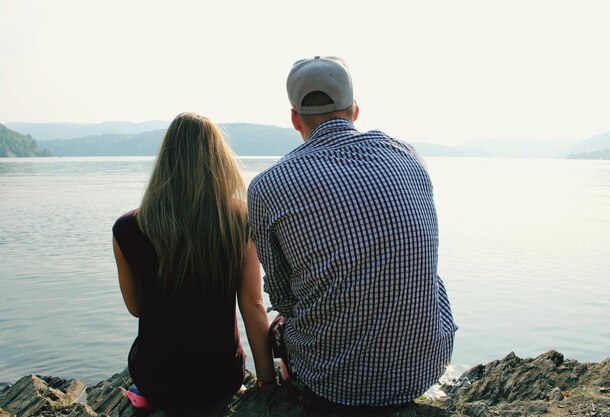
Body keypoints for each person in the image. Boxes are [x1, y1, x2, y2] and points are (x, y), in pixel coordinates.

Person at [247, 56, 457, 406]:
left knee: (282, 325)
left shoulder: (268, 186)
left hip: (334, 382)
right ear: (355, 110)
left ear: (295, 118)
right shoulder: (409, 157)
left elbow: (284, 298)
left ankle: (290, 393)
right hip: (425, 364)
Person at [112, 112, 275, 412]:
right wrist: (267, 380)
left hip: (154, 377)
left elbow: (137, 308)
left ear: (165, 160)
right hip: (219, 378)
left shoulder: (126, 228)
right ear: (219, 160)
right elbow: (252, 305)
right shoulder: (239, 221)